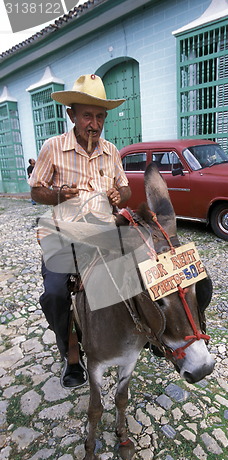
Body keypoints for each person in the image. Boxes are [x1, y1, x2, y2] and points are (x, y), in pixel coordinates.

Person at [28, 74, 131, 388]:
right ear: (71, 114)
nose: (95, 124)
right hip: (62, 233)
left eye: (100, 116)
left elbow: (125, 189)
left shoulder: (111, 151)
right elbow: (36, 191)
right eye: (88, 115)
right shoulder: (53, 148)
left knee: (138, 276)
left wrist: (119, 196)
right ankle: (71, 355)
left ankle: (144, 335)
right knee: (56, 294)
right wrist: (60, 194)